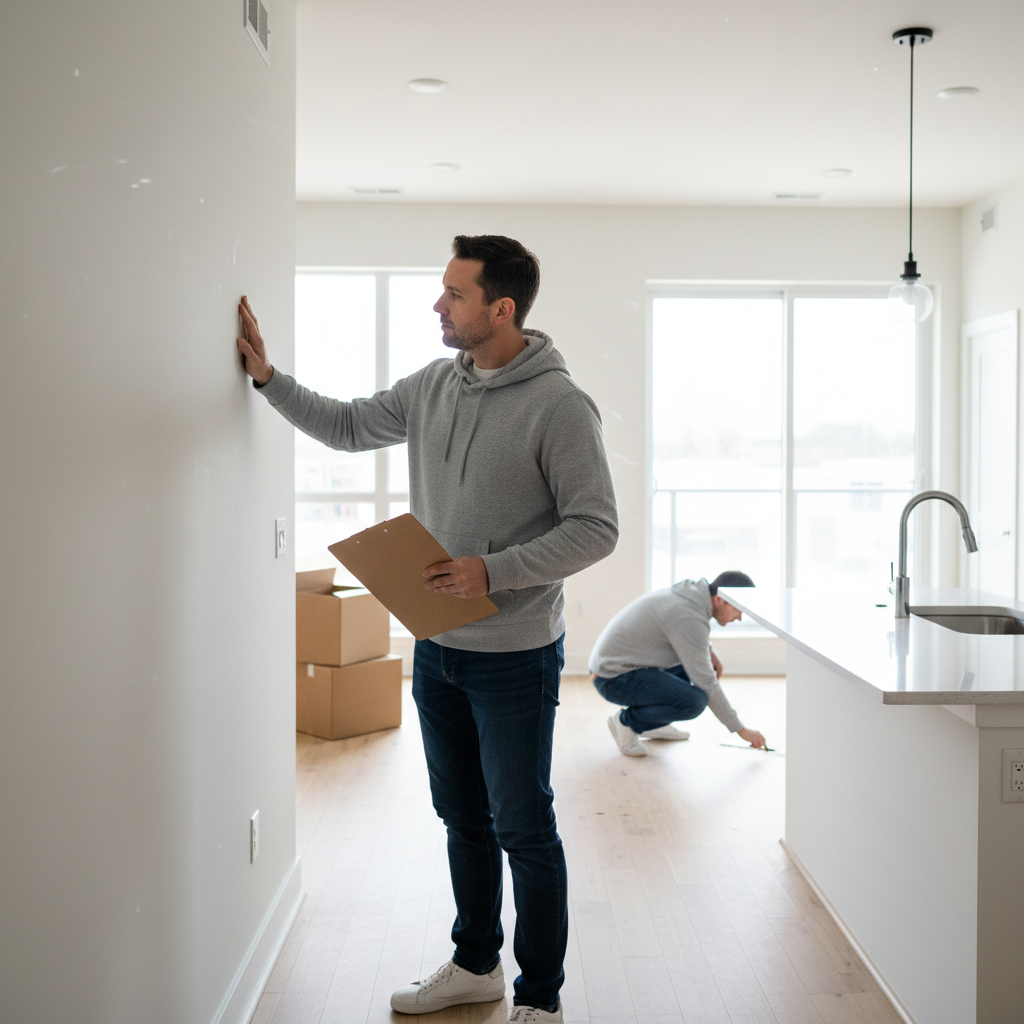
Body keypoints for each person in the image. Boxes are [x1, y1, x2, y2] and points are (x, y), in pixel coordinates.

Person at [236, 235, 618, 1024]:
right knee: (462, 818)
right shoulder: (432, 385)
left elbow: (596, 529)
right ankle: (476, 964)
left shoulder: (560, 406)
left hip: (514, 656)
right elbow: (347, 426)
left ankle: (540, 998)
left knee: (523, 826)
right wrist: (269, 379)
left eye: (454, 294)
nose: (437, 304)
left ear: (501, 309)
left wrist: (494, 570)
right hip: (437, 648)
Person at [588, 571, 767, 756]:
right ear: (720, 599)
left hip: (621, 666)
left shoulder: (691, 597)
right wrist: (740, 730)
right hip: (612, 678)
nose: (739, 617)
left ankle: (653, 725)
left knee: (695, 669)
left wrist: (709, 651)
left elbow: (685, 635)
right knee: (694, 702)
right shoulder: (688, 615)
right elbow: (706, 682)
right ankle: (627, 723)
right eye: (738, 609)